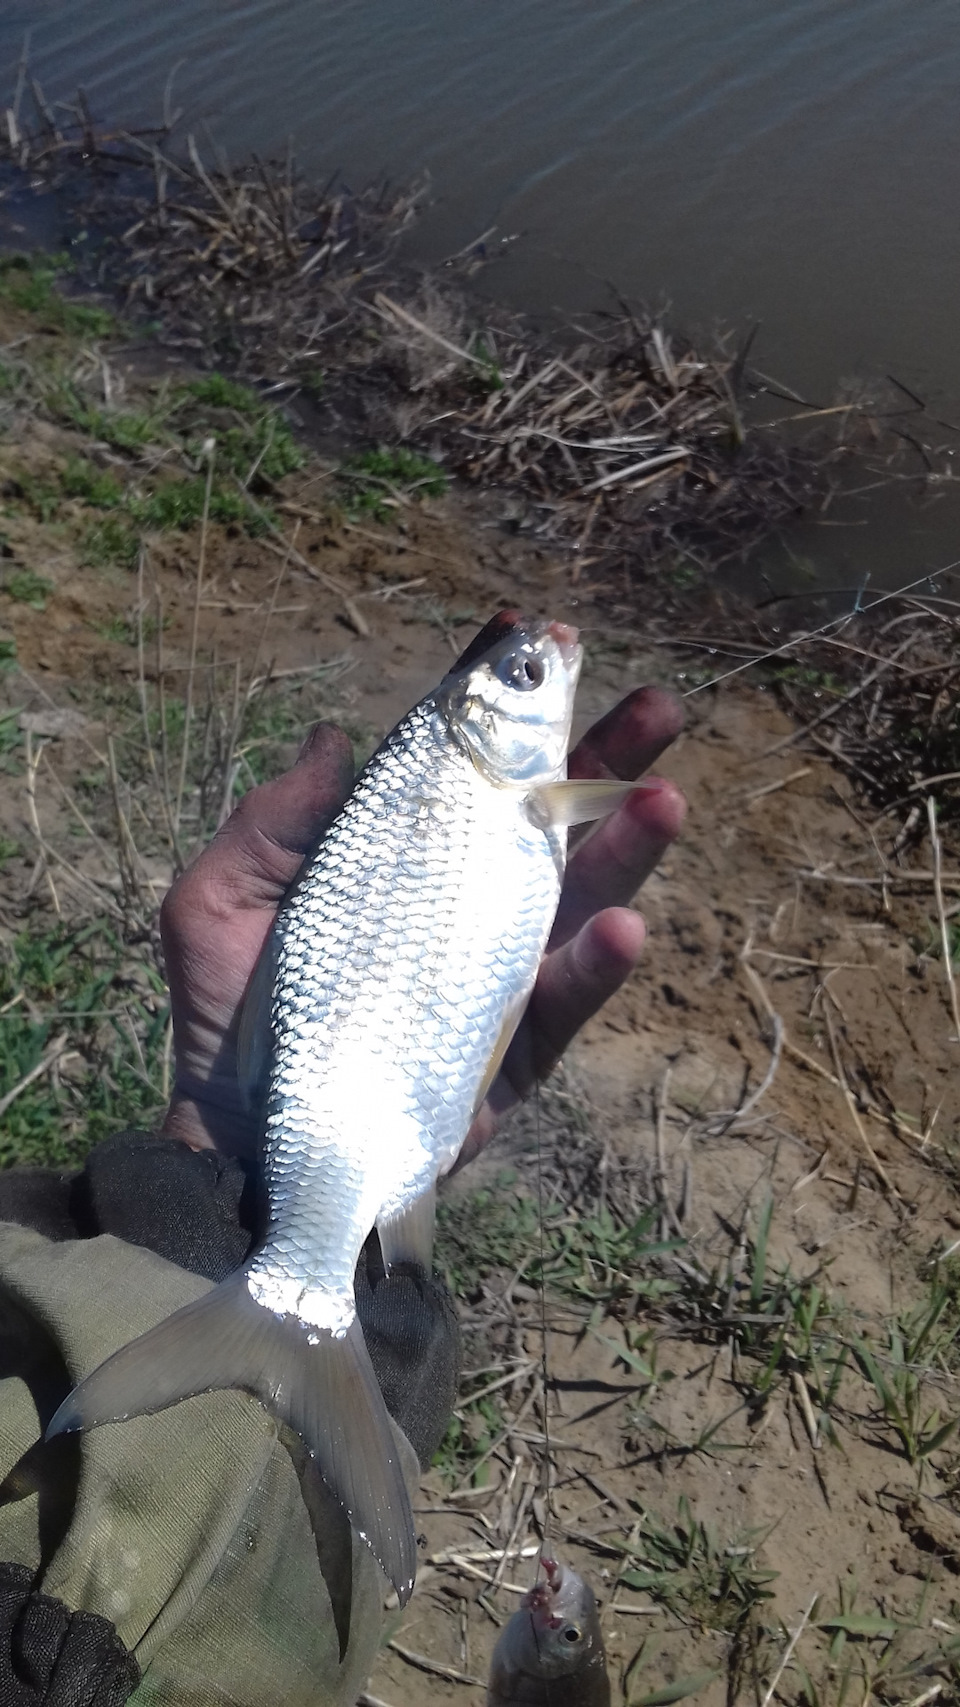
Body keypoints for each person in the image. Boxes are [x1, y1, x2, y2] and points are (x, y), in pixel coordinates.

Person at [0, 680, 685, 1707]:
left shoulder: (511, 792)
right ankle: (286, 1326)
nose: (549, 661)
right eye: (523, 677)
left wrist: (210, 1132)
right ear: (473, 726)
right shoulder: (513, 795)